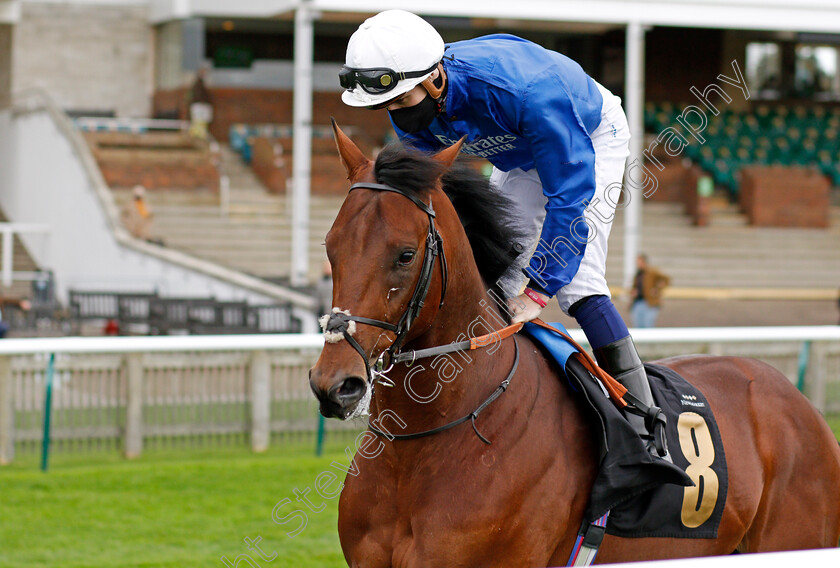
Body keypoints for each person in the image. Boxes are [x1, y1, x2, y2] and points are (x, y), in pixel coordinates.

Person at [339, 10, 669, 458]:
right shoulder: (411, 95)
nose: (396, 116)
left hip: (586, 136)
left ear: (435, 79)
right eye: (386, 106)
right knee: (497, 279)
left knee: (577, 285)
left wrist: (539, 290)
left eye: (400, 102)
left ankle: (646, 426)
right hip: (517, 155)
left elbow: (569, 202)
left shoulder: (528, 92)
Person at [630, 254, 670, 328]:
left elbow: (666, 279)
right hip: (638, 302)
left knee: (648, 325)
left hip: (649, 303)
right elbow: (635, 287)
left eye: (640, 262)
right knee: (638, 325)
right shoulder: (638, 274)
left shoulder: (652, 272)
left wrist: (657, 289)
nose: (638, 264)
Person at [188, 66, 213, 140]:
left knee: (200, 122)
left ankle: (198, 135)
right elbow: (198, 94)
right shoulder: (198, 83)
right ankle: (197, 135)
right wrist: (202, 101)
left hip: (199, 105)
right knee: (199, 122)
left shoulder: (199, 83)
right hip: (199, 105)